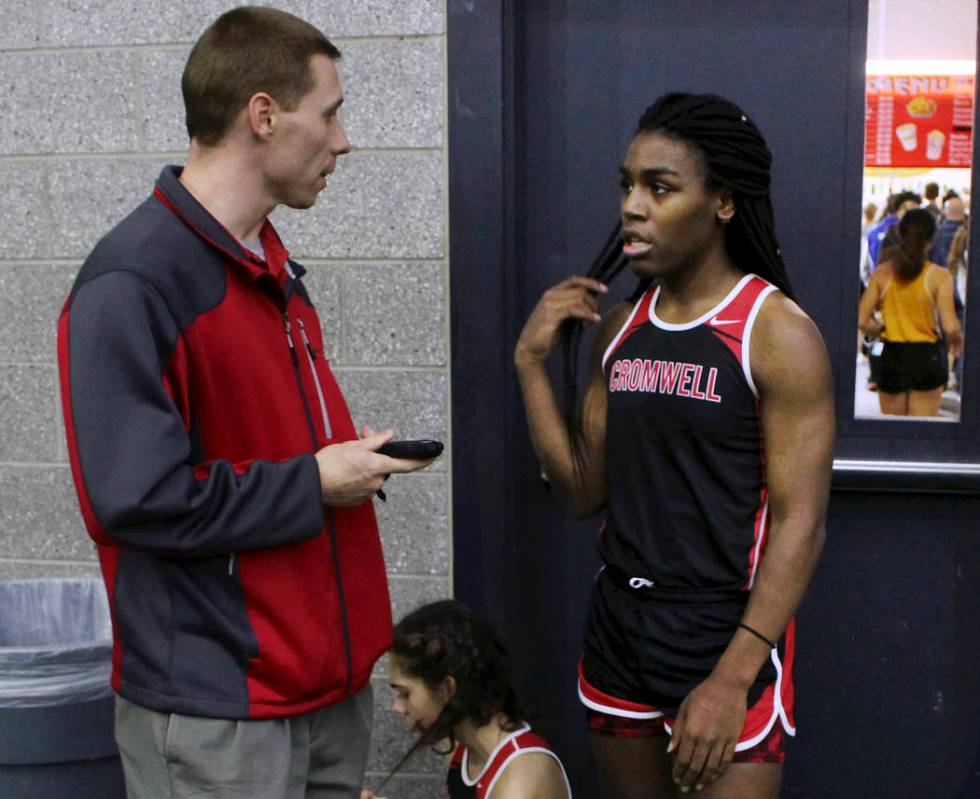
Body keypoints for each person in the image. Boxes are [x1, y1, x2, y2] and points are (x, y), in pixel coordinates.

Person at [56, 8, 438, 798]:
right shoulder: (134, 283)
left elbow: (254, 448)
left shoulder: (270, 265)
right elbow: (135, 501)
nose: (343, 141)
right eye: (329, 113)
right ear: (263, 115)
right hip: (218, 713)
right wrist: (314, 481)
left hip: (322, 696)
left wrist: (342, 460)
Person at [514, 93, 834, 798]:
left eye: (660, 187)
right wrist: (530, 365)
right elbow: (579, 489)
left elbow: (801, 525)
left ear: (722, 202)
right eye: (627, 184)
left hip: (725, 636)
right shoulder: (622, 326)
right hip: (620, 634)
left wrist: (732, 676)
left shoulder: (774, 332)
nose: (633, 204)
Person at [362, 600, 572, 799]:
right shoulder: (467, 749)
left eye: (405, 693)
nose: (397, 707)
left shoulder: (521, 780)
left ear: (447, 688)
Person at [858, 209, 964, 416]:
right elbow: (950, 325)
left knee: (892, 432)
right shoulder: (939, 277)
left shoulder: (883, 273)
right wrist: (956, 341)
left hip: (892, 355)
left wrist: (882, 330)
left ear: (901, 233)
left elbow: (862, 320)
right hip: (926, 357)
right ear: (932, 239)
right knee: (923, 432)